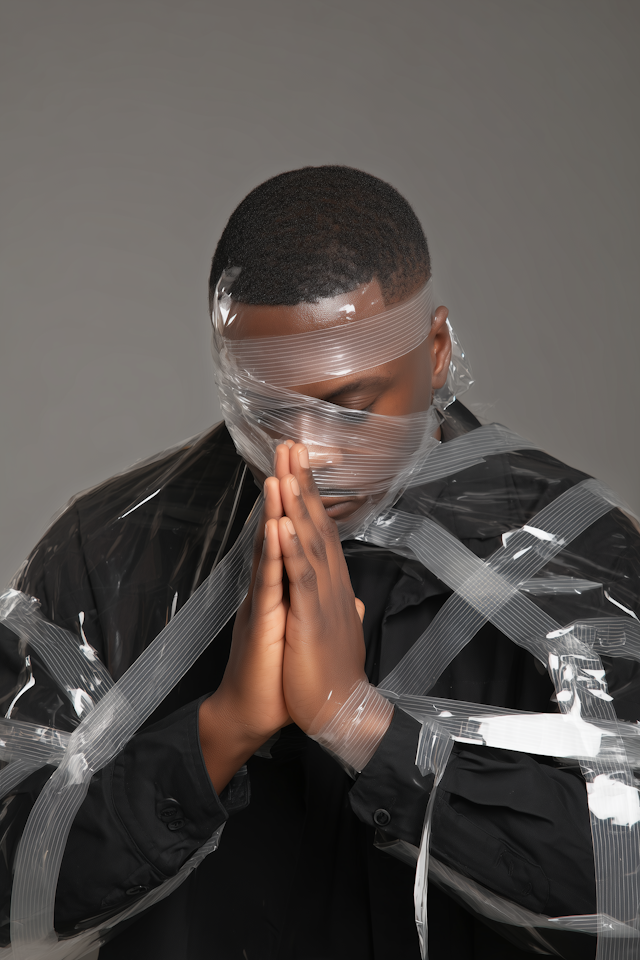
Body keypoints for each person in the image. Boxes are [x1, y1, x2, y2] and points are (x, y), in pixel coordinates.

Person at [1, 166, 639, 960]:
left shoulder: (578, 555)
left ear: (437, 353)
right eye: (269, 412)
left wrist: (360, 723)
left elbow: (626, 882)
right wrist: (219, 732)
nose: (310, 456)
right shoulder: (111, 550)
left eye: (351, 405)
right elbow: (10, 875)